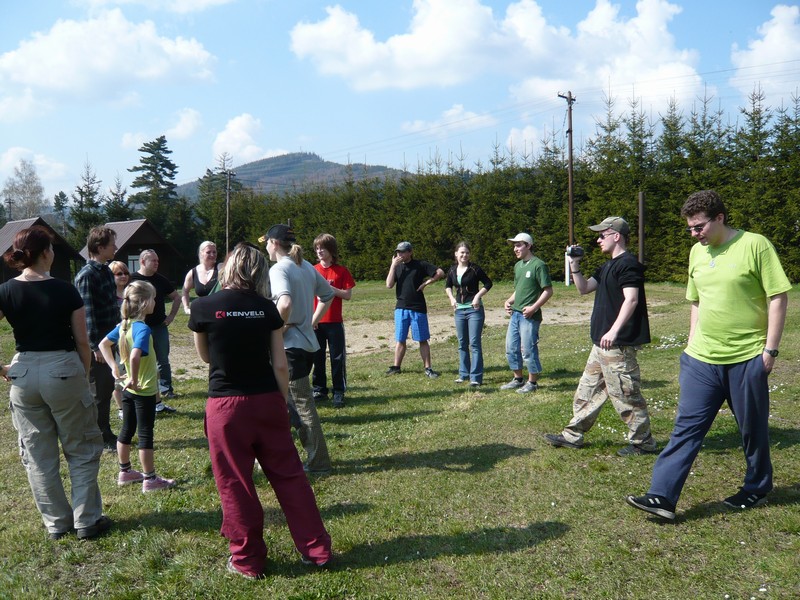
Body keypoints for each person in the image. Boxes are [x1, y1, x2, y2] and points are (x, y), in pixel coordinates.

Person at [627, 190, 791, 521]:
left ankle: (757, 486)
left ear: (719, 218)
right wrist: (690, 347)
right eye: (689, 228)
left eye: (699, 227)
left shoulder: (755, 245)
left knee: (751, 428)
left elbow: (778, 296)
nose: (694, 234)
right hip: (702, 359)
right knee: (686, 427)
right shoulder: (696, 254)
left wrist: (769, 350)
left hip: (747, 356)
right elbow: (696, 301)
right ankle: (662, 496)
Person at [188, 243, 333, 579]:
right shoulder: (267, 310)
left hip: (225, 405)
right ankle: (317, 550)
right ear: (258, 271)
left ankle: (248, 560)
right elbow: (280, 364)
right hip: (267, 398)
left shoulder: (203, 307)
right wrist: (280, 403)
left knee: (235, 483)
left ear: (229, 269)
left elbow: (206, 357)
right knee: (290, 477)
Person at [0, 226, 110, 540]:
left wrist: (2, 368)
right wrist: (84, 374)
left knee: (38, 455)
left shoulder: (6, 290)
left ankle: (57, 524)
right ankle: (87, 521)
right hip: (63, 369)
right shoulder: (64, 290)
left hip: (22, 374)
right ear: (46, 253)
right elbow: (82, 341)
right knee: (82, 448)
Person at [544, 217, 658, 456]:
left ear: (616, 236)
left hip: (617, 344)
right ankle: (572, 436)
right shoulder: (606, 266)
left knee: (625, 395)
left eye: (602, 235)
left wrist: (614, 330)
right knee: (587, 392)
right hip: (601, 345)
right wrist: (574, 264)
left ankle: (643, 443)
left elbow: (632, 299)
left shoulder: (628, 264)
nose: (597, 240)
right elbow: (583, 288)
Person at [262, 224, 335, 474]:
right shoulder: (305, 267)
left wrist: (277, 331)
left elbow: (284, 303)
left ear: (274, 243)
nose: (265, 247)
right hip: (307, 346)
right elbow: (328, 296)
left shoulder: (279, 269)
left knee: (302, 407)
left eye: (267, 243)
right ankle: (289, 456)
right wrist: (311, 321)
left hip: (290, 349)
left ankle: (319, 463)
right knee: (292, 407)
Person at [99, 280, 176, 493]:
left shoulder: (124, 325)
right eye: (153, 298)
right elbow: (134, 355)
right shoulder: (142, 328)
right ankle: (150, 479)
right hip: (143, 389)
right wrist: (133, 377)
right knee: (145, 433)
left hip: (128, 390)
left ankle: (125, 472)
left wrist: (115, 368)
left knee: (127, 429)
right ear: (143, 303)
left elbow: (103, 344)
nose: (155, 302)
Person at [74, 226, 119, 451]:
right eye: (112, 244)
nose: (116, 247)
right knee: (98, 392)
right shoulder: (87, 276)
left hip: (110, 342)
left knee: (107, 388)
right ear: (100, 247)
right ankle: (98, 435)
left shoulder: (106, 271)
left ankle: (104, 429)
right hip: (99, 346)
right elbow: (87, 316)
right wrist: (96, 348)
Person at [501, 233, 553, 393]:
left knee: (528, 349)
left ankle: (532, 383)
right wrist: (509, 301)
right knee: (511, 348)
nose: (515, 249)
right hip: (515, 315)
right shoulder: (518, 266)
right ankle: (518, 379)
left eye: (519, 245)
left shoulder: (539, 265)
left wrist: (533, 308)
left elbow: (548, 291)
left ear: (528, 246)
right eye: (514, 246)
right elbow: (519, 289)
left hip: (529, 316)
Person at [385, 241, 445, 378]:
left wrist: (427, 283)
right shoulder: (397, 267)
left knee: (422, 339)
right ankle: (396, 367)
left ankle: (428, 368)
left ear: (410, 252)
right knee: (400, 339)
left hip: (418, 308)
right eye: (398, 252)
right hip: (401, 308)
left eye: (402, 252)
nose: (399, 254)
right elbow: (388, 285)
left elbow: (440, 272)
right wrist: (393, 266)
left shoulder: (420, 265)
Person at [130, 249, 180, 411]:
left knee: (162, 359)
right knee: (139, 358)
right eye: (153, 261)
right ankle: (137, 386)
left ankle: (166, 389)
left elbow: (176, 297)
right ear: (143, 262)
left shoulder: (160, 280)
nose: (157, 263)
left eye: (157, 260)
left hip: (158, 326)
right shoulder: (132, 279)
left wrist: (171, 316)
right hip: (137, 326)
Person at [311, 233, 356, 409]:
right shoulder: (312, 270)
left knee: (337, 358)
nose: (319, 251)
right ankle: (319, 390)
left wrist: (328, 289)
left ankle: (338, 391)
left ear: (331, 250)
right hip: (316, 322)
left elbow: (348, 295)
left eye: (322, 247)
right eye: (316, 248)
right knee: (317, 357)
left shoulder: (341, 271)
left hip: (335, 322)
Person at [444, 241, 493, 386]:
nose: (464, 255)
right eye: (462, 252)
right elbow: (447, 286)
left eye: (467, 253)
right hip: (459, 310)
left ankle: (475, 377)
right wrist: (452, 298)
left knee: (474, 343)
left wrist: (478, 297)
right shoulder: (452, 270)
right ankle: (463, 374)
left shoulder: (474, 269)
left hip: (474, 310)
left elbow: (488, 283)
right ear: (456, 254)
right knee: (462, 343)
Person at [109, 260, 130, 420]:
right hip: (115, 341)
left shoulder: (131, 293)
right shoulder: (108, 296)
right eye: (119, 273)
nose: (123, 276)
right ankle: (122, 408)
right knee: (118, 377)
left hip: (132, 339)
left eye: (125, 273)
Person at [181, 241, 221, 314]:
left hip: (219, 313)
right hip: (201, 313)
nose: (212, 254)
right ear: (201, 253)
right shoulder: (193, 272)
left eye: (214, 252)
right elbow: (185, 291)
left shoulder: (221, 268)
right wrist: (186, 308)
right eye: (208, 252)